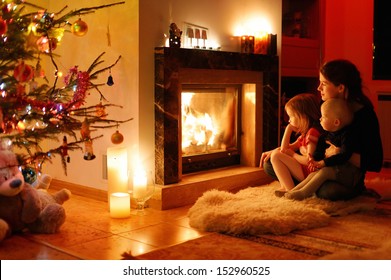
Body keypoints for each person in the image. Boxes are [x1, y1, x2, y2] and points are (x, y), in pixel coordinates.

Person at [261, 59, 383, 200]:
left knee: (327, 191)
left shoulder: (364, 115)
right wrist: (285, 150)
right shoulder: (325, 104)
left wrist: (339, 152)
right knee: (269, 164)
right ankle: (307, 187)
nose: (319, 88)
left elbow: (375, 162)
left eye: (324, 84)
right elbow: (313, 134)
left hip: (342, 173)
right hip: (318, 165)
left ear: (340, 88)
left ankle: (310, 187)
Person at [285, 98, 358, 200]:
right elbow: (319, 152)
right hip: (334, 170)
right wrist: (313, 159)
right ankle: (292, 192)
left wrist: (323, 163)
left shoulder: (347, 136)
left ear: (336, 122)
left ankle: (302, 194)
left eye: (323, 117)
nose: (320, 119)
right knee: (314, 174)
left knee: (325, 172)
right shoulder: (325, 135)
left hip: (347, 174)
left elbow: (344, 156)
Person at [262, 93, 323, 195]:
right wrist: (288, 129)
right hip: (304, 170)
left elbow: (309, 161)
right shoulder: (305, 133)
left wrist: (293, 155)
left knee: (276, 155)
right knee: (276, 153)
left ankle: (290, 190)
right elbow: (284, 149)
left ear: (303, 116)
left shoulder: (312, 133)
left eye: (291, 116)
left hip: (310, 172)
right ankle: (285, 186)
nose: (289, 120)